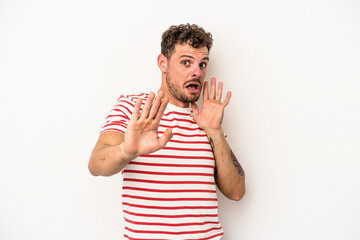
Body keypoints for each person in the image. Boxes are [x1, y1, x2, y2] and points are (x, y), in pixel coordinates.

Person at [88, 23, 245, 240]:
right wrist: (128, 150)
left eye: (203, 64)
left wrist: (214, 130)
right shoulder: (133, 108)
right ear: (163, 63)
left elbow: (236, 192)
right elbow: (96, 164)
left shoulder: (208, 118)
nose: (197, 72)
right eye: (186, 62)